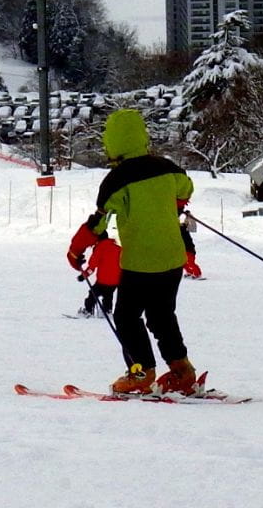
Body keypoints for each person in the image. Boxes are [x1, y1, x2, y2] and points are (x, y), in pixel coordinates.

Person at [94, 109, 199, 395]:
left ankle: (140, 372)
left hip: (140, 262)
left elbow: (100, 219)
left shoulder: (116, 180)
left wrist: (78, 248)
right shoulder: (167, 167)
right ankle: (182, 370)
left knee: (126, 318)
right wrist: (174, 203)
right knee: (162, 315)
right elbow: (186, 188)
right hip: (171, 259)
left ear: (112, 143)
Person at [68, 215, 120, 318]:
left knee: (92, 295)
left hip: (102, 281)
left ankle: (88, 311)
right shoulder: (118, 248)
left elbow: (92, 266)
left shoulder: (100, 248)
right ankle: (107, 311)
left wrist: (84, 276)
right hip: (115, 282)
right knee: (108, 296)